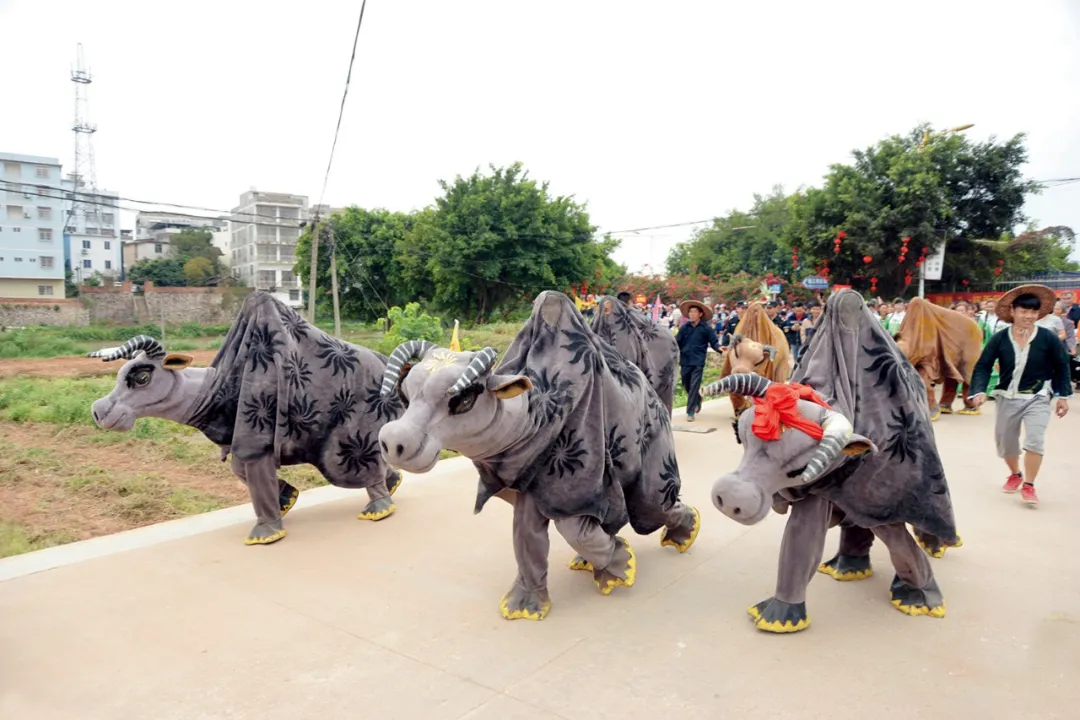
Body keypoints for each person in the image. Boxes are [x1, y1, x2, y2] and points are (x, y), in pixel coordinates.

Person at [968, 285, 1072, 506]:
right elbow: (984, 366)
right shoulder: (999, 338)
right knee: (1006, 443)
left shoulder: (1048, 338)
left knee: (1035, 440)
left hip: (1038, 395)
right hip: (1007, 396)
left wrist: (1063, 394)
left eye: (1033, 312)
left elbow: (1061, 366)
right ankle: (1015, 474)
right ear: (1013, 311)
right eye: (1024, 311)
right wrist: (979, 390)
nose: (1029, 316)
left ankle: (1030, 485)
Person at [675, 299, 721, 422]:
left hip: (698, 361)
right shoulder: (685, 327)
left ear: (700, 314)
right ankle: (697, 398)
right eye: (690, 312)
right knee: (686, 384)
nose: (692, 314)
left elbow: (714, 343)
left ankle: (690, 412)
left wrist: (720, 349)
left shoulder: (706, 328)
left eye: (694, 312)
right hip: (685, 360)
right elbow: (676, 342)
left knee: (694, 386)